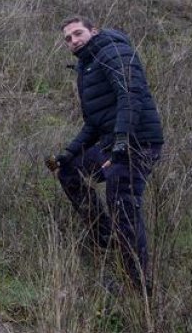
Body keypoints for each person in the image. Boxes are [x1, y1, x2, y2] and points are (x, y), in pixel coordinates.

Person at [47, 17, 163, 292]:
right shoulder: (88, 65)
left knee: (122, 206)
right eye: (68, 38)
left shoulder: (111, 48)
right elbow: (94, 124)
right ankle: (106, 238)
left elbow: (130, 95)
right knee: (69, 171)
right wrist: (68, 153)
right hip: (114, 144)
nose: (73, 40)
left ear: (93, 31)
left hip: (138, 144)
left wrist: (122, 142)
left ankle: (139, 287)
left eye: (78, 33)